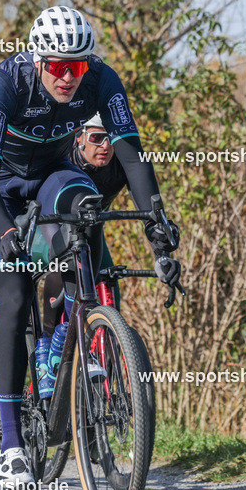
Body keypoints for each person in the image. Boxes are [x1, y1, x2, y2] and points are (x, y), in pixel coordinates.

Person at [0, 5, 179, 489]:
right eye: (58, 67)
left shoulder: (102, 79)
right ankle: (13, 444)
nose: (68, 77)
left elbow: (133, 157)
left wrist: (157, 233)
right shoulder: (8, 83)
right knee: (14, 299)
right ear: (39, 61)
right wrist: (5, 232)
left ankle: (81, 323)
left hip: (49, 176)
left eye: (76, 67)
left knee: (86, 205)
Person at [36, 112, 180, 397]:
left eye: (110, 139)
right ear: (78, 137)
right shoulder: (64, 155)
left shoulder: (117, 163)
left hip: (90, 231)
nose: (105, 146)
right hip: (48, 223)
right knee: (65, 263)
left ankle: (101, 353)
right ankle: (48, 343)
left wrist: (161, 252)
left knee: (107, 280)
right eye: (96, 138)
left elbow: (148, 211)